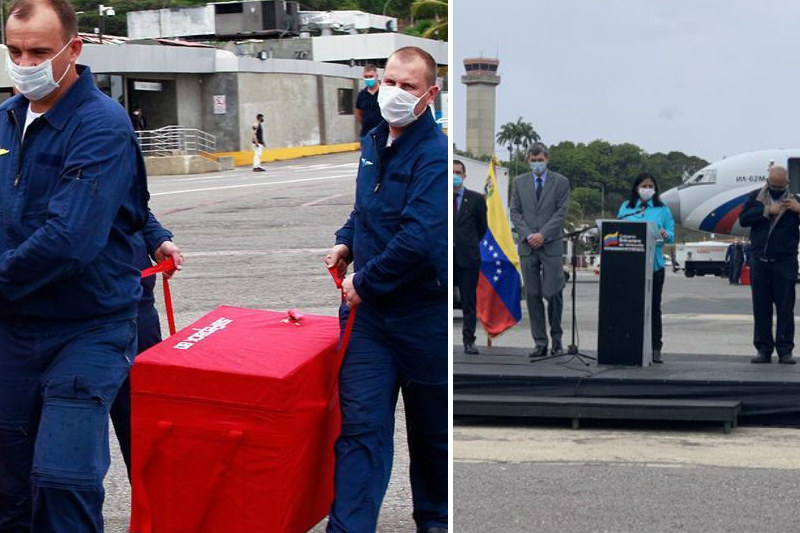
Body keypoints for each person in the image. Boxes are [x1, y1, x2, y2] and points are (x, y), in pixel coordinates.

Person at [0, 1, 149, 531]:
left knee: (64, 479)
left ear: (75, 48)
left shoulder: (100, 125)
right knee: (8, 489)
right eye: (15, 51)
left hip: (88, 328)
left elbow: (70, 239)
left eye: (39, 52)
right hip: (14, 329)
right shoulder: (6, 120)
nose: (25, 63)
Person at [324, 46, 447, 533]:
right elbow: (367, 211)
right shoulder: (373, 142)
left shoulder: (434, 155)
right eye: (387, 83)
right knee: (360, 430)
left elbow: (419, 238)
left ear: (430, 94)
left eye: (408, 86)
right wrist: (345, 243)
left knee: (431, 435)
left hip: (420, 317)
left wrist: (364, 282)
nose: (393, 93)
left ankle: (435, 520)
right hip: (369, 321)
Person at [109, 212, 183, 479]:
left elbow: (135, 206)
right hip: (72, 314)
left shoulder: (120, 169)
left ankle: (151, 508)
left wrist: (157, 240)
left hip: (136, 304)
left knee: (142, 416)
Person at [510, 143, 570, 358]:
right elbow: (515, 212)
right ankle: (540, 341)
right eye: (533, 160)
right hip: (528, 246)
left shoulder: (561, 182)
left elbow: (561, 212)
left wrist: (543, 234)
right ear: (528, 160)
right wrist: (528, 235)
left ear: (547, 158)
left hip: (550, 243)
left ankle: (557, 339)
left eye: (540, 160)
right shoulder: (519, 182)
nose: (537, 164)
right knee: (533, 294)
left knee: (553, 292)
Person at [739, 165, 800, 364]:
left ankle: (785, 350)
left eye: (780, 186)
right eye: (774, 185)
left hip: (784, 262)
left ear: (787, 184)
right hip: (760, 262)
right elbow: (743, 219)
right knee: (761, 307)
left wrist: (799, 210)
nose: (776, 188)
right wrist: (766, 210)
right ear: (767, 182)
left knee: (785, 308)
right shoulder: (755, 197)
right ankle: (763, 349)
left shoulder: (796, 200)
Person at [617, 172, 675, 364]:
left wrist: (666, 234)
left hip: (654, 265)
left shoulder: (662, 209)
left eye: (651, 186)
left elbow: (671, 235)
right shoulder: (627, 207)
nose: (647, 189)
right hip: (629, 265)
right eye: (644, 186)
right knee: (628, 306)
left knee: (654, 308)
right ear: (636, 188)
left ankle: (655, 347)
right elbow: (617, 231)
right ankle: (627, 343)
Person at [453, 159, 488, 354]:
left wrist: (467, 242)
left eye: (458, 172)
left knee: (468, 302)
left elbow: (482, 229)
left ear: (464, 176)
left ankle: (469, 340)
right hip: (445, 258)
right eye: (452, 172)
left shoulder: (475, 200)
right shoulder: (440, 198)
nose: (455, 176)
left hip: (468, 258)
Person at [355, 63, 382, 139]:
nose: (368, 79)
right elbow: (358, 114)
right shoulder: (361, 95)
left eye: (371, 76)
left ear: (376, 76)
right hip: (366, 135)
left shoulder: (385, 92)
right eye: (366, 77)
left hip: (383, 134)